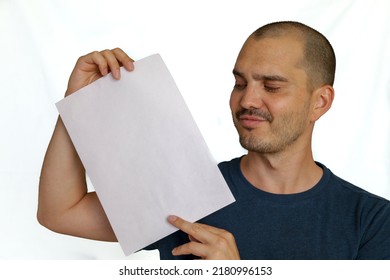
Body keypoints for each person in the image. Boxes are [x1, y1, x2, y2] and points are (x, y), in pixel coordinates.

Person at [37, 21, 390, 260]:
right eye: (240, 83)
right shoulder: (187, 192)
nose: (248, 100)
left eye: (271, 86)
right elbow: (60, 213)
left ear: (320, 102)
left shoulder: (371, 221)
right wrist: (76, 104)